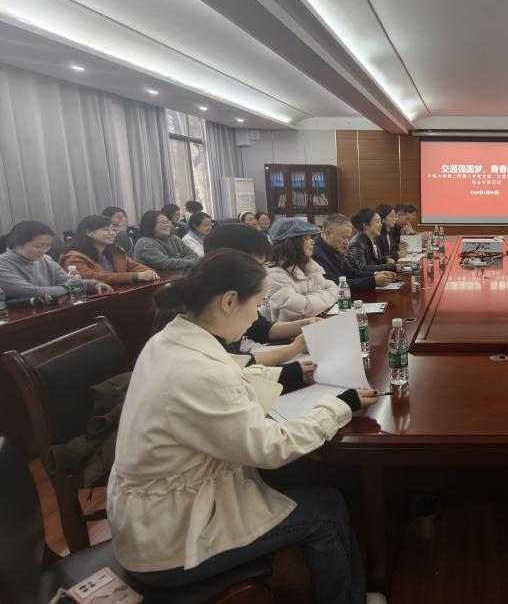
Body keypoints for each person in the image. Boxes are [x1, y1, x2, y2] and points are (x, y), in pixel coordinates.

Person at [107, 250, 383, 604]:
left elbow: (231, 373)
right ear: (229, 301)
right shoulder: (197, 370)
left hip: (154, 520)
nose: (256, 315)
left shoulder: (168, 341)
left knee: (303, 476)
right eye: (255, 305)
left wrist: (293, 373)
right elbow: (270, 448)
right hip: (171, 546)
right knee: (326, 510)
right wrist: (341, 405)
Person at [151, 223, 321, 380]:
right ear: (229, 260)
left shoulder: (222, 292)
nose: (261, 273)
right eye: (256, 265)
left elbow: (259, 328)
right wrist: (294, 349)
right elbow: (231, 363)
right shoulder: (194, 302)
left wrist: (304, 324)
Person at [0, 221, 114, 298]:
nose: (44, 250)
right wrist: (67, 288)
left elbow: (67, 281)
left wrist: (94, 284)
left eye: (48, 246)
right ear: (18, 244)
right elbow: (30, 292)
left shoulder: (46, 259)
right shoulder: (3, 264)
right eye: (38, 246)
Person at [263, 218, 338, 321]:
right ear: (292, 243)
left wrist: (311, 302)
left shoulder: (306, 265)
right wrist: (317, 302)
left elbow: (334, 288)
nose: (313, 242)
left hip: (310, 324)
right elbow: (301, 310)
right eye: (307, 238)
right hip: (286, 330)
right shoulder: (274, 274)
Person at [60, 215, 159, 285]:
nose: (112, 233)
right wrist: (134, 276)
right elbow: (91, 278)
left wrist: (148, 271)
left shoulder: (115, 251)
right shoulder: (74, 257)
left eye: (113, 230)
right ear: (89, 233)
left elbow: (133, 265)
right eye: (106, 230)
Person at [312, 214, 396, 292]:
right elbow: (334, 284)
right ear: (328, 234)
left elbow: (349, 272)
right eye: (344, 238)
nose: (347, 242)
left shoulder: (334, 246)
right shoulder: (314, 253)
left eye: (348, 238)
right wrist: (373, 281)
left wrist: (375, 274)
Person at [132, 211, 198, 270]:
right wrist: (190, 262)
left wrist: (180, 261)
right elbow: (165, 263)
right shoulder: (144, 243)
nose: (168, 225)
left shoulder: (174, 238)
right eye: (163, 222)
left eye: (168, 222)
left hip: (177, 276)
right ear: (150, 224)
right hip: (158, 279)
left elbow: (194, 255)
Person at [346, 209, 399, 273]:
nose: (381, 225)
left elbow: (375, 260)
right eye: (377, 222)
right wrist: (390, 266)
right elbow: (362, 268)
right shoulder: (357, 243)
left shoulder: (372, 238)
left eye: (380, 222)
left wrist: (386, 260)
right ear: (365, 225)